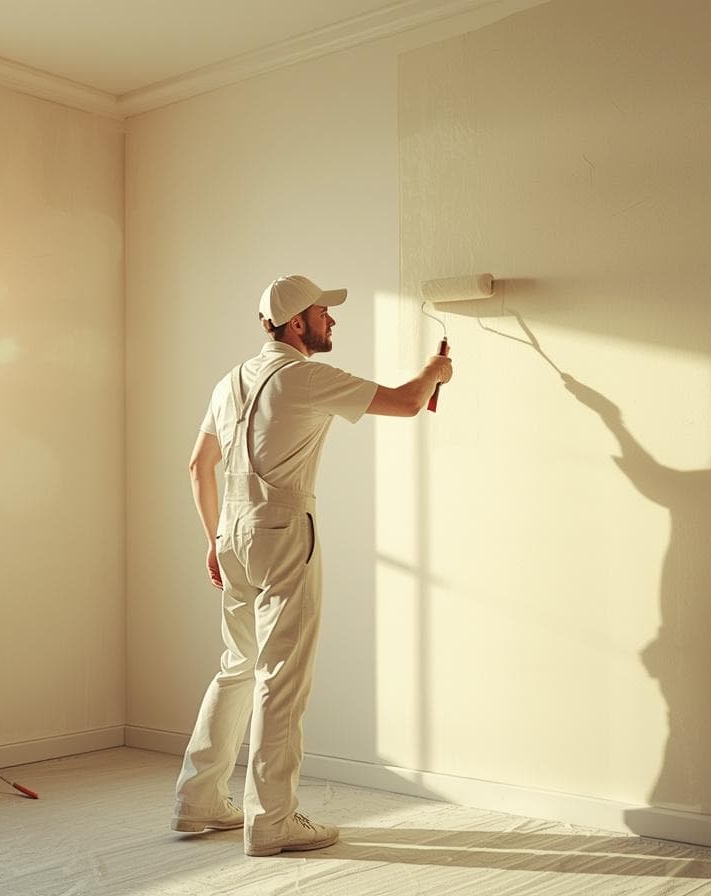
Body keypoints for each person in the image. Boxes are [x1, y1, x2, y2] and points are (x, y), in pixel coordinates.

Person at [172, 274, 453, 857]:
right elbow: (404, 403)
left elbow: (199, 467)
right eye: (324, 313)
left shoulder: (231, 381)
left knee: (238, 666)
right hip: (281, 528)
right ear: (296, 322)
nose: (333, 322)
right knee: (281, 676)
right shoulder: (304, 377)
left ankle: (198, 800)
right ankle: (272, 820)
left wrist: (213, 539)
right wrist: (436, 372)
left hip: (231, 530)